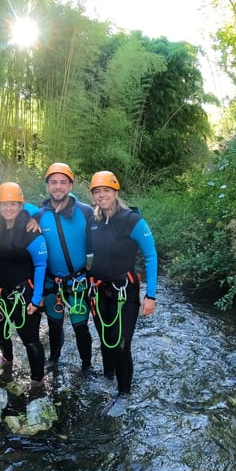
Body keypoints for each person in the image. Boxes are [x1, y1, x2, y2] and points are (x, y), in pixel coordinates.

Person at [86, 170, 157, 402]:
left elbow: (151, 256)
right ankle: (108, 377)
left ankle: (124, 394)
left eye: (106, 190)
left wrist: (151, 295)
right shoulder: (93, 222)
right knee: (105, 339)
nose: (102, 195)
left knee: (122, 344)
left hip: (125, 292)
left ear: (115, 192)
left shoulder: (132, 220)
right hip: (98, 291)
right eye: (97, 191)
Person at [0, 182, 48, 386]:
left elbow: (41, 266)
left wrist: (37, 298)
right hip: (4, 291)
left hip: (26, 293)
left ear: (21, 206)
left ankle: (38, 380)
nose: (9, 208)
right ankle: (7, 358)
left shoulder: (31, 231)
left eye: (13, 204)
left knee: (29, 338)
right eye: (5, 204)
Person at [35, 162, 94, 372]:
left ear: (70, 186)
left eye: (63, 182)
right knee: (54, 324)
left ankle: (87, 365)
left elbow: (103, 239)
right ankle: (55, 358)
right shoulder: (39, 215)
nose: (58, 186)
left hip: (77, 281)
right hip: (53, 281)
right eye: (53, 182)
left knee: (81, 328)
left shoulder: (86, 212)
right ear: (47, 186)